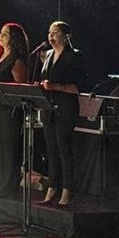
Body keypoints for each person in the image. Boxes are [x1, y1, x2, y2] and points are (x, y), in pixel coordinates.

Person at [35, 21, 86, 208]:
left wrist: (56, 86)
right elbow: (44, 79)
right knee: (51, 150)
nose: (51, 36)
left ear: (67, 36)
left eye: (55, 32)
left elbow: (78, 87)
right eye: (50, 32)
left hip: (65, 108)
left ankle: (67, 189)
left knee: (64, 150)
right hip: (49, 108)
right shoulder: (48, 54)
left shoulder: (75, 56)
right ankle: (52, 187)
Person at [0, 23, 30, 196]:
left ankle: (8, 187)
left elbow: (20, 88)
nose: (1, 36)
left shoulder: (16, 60)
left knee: (8, 149)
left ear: (13, 38)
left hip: (10, 111)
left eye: (5, 34)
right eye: (1, 33)